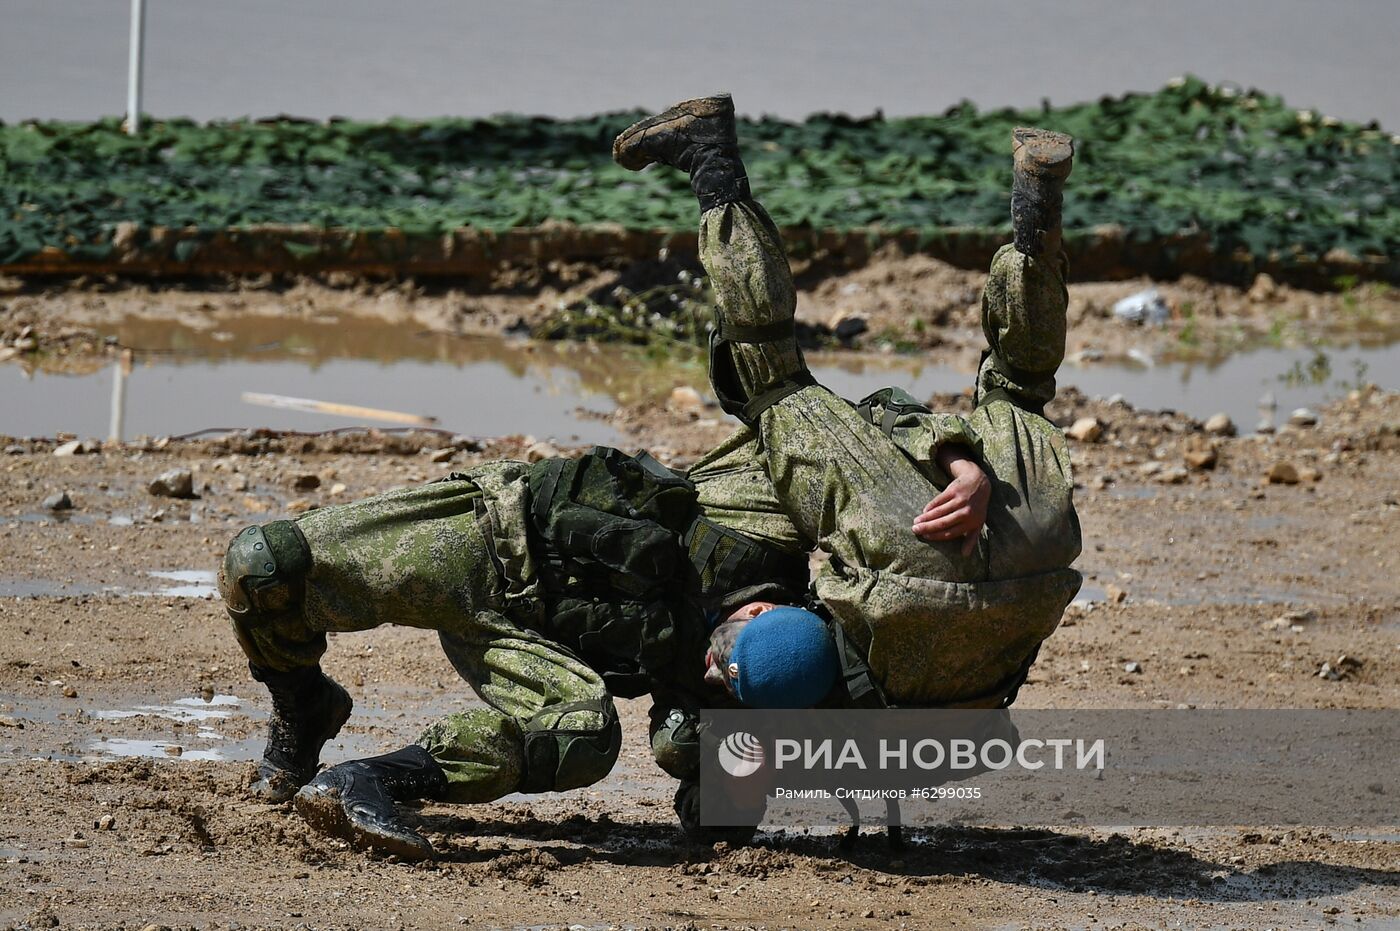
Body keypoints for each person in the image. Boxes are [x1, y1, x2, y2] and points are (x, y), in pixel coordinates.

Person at [218, 94, 1080, 860]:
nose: (716, 657)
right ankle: (303, 709)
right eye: (735, 643)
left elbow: (723, 808)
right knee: (262, 563)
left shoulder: (727, 701)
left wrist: (772, 773)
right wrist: (957, 461)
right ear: (780, 606)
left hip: (533, 647)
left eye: (727, 670)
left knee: (584, 737)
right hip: (492, 541)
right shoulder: (757, 512)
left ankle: (379, 778)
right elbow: (873, 422)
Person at [613, 94, 1082, 710]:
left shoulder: (929, 756)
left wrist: (964, 462)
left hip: (1034, 562)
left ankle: (1038, 208)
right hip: (911, 559)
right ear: (762, 612)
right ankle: (710, 161)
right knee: (772, 378)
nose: (712, 673)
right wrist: (951, 455)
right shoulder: (808, 706)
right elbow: (891, 412)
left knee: (1020, 386)